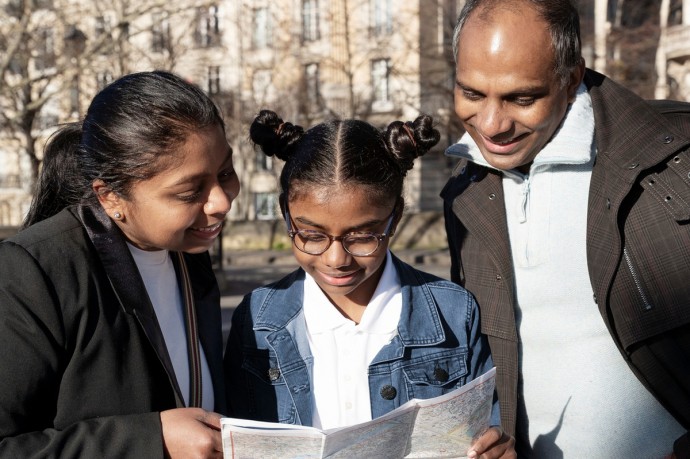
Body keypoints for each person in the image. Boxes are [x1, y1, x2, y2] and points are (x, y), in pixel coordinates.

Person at [441, 0, 690, 457]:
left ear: (570, 77)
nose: (492, 125)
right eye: (472, 94)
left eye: (522, 97)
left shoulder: (679, 155)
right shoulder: (463, 192)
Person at [224, 109, 515, 458]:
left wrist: (495, 450)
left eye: (363, 236)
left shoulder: (454, 312)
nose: (336, 260)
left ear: (395, 219)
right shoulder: (256, 317)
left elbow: (487, 425)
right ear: (286, 214)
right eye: (311, 235)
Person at [0, 71, 240, 457]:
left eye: (225, 173)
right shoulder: (32, 271)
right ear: (110, 198)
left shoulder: (187, 254)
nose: (221, 202)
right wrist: (152, 439)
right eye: (190, 191)